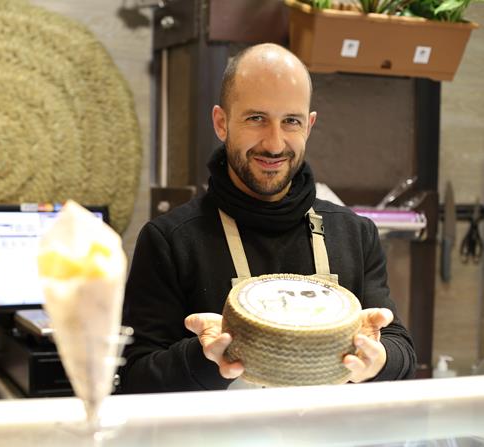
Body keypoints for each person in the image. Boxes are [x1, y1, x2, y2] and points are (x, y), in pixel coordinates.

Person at [118, 43, 416, 393]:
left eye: (291, 121)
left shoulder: (354, 233)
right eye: (256, 119)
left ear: (309, 125)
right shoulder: (170, 240)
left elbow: (402, 352)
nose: (275, 144)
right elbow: (134, 380)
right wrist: (205, 358)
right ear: (221, 122)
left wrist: (378, 359)